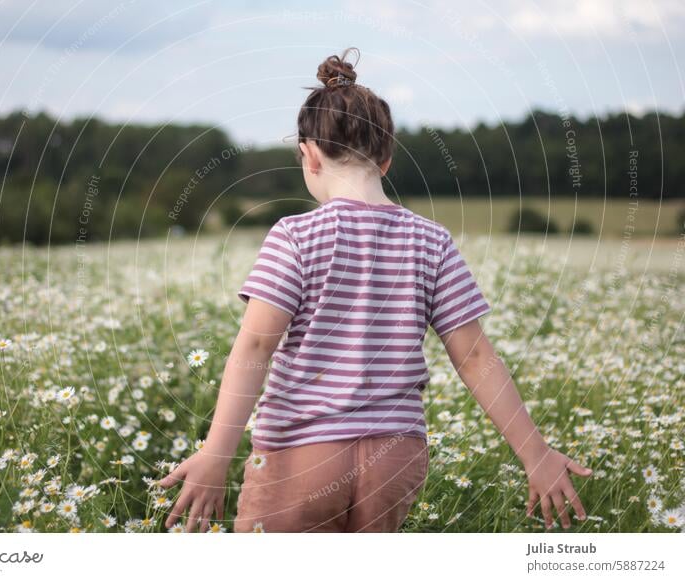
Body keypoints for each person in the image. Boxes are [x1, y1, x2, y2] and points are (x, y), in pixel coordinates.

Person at [158, 47, 592, 533]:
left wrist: (216, 457)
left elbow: (256, 344)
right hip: (395, 457)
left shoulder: (294, 236)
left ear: (309, 155)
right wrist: (536, 455)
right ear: (386, 160)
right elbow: (473, 356)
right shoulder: (433, 241)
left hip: (303, 452)